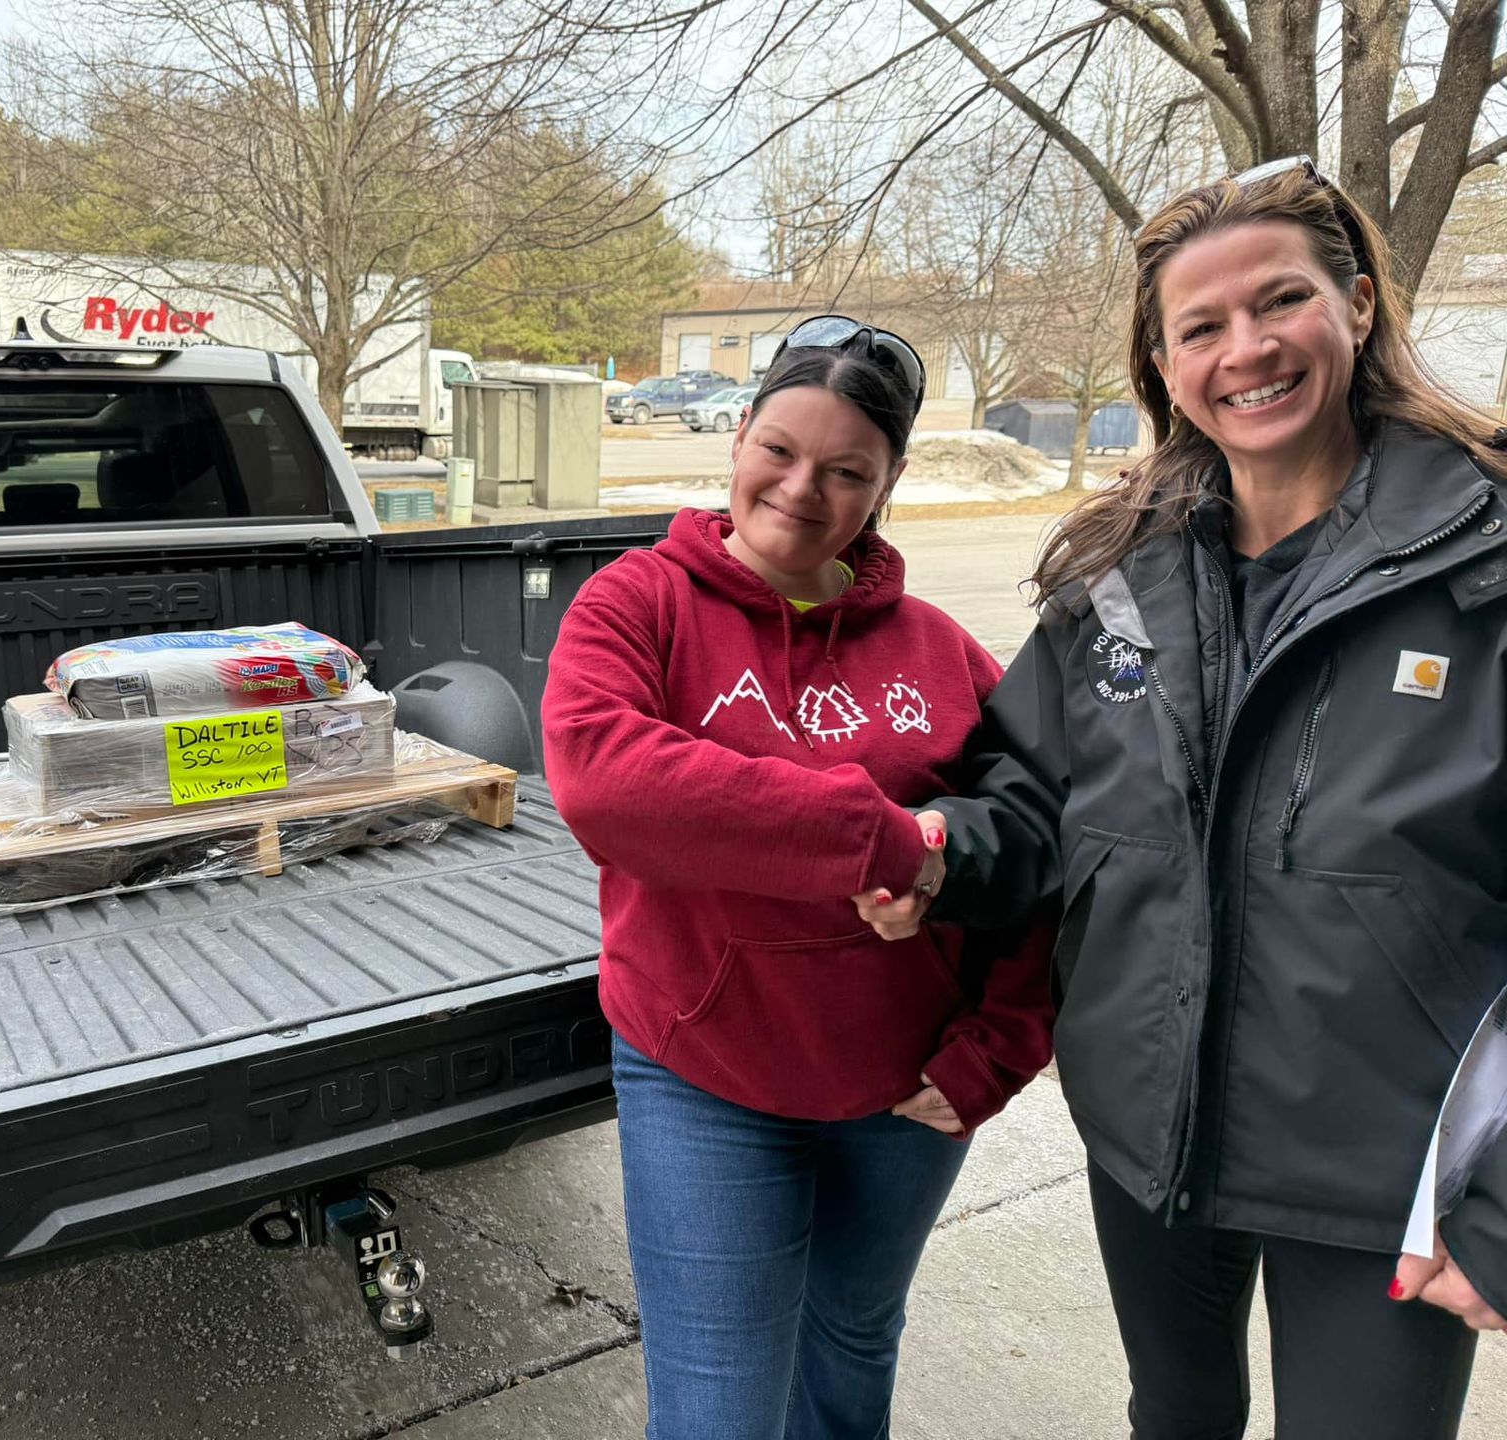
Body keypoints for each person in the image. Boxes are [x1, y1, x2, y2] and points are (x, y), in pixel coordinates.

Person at [868, 158, 1507, 1437]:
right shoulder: (1122, 580)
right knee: (1176, 1416)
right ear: (1162, 365)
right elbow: (1035, 800)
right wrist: (945, 852)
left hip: (1385, 1166)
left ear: (1362, 306)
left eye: (1281, 303)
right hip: (1152, 1134)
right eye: (1200, 327)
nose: (1246, 350)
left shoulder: (1484, 558)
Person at [541, 318, 1054, 1440]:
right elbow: (606, 781)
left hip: (909, 1094)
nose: (800, 489)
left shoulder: (942, 651)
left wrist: (1004, 1045)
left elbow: (1039, 849)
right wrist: (886, 840)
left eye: (846, 471)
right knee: (722, 1406)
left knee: (852, 1358)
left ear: (889, 484)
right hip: (707, 1078)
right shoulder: (639, 604)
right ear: (738, 438)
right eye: (779, 450)